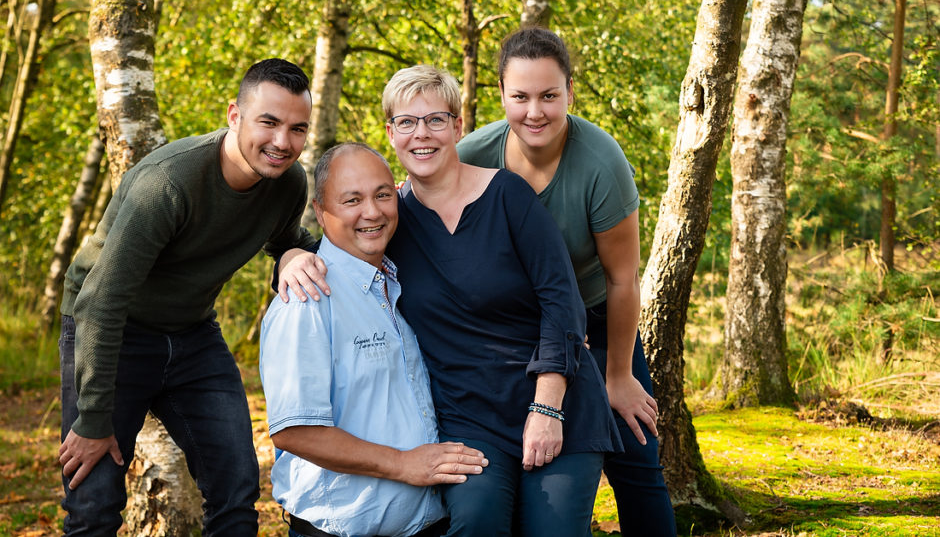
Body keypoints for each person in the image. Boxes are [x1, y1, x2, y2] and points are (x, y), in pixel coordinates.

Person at [279, 65, 621, 537]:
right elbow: (341, 246)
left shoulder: (508, 195)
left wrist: (547, 408)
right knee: (476, 522)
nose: (422, 134)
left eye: (436, 120)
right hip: (467, 417)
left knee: (553, 530)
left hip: (555, 401)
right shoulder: (391, 218)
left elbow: (562, 303)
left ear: (458, 127)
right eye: (407, 122)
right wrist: (292, 256)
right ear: (391, 133)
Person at [57, 58, 329, 536]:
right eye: (268, 122)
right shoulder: (167, 183)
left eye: (297, 128)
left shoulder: (288, 183)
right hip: (111, 331)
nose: (283, 142)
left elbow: (285, 239)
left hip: (192, 334)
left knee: (236, 488)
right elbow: (101, 301)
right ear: (234, 115)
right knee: (93, 503)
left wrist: (288, 254)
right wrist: (93, 418)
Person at [456, 27, 677, 536]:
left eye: (549, 96)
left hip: (599, 323)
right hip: (513, 332)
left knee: (638, 459)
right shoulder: (471, 153)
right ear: (502, 96)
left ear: (569, 93)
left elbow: (623, 279)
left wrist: (618, 376)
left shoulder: (600, 162)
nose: (535, 111)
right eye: (521, 97)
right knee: (517, 456)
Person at [259, 143, 487, 537]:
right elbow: (294, 430)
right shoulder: (307, 300)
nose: (372, 212)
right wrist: (402, 463)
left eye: (383, 195)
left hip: (430, 524)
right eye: (352, 200)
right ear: (320, 210)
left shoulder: (402, 284)